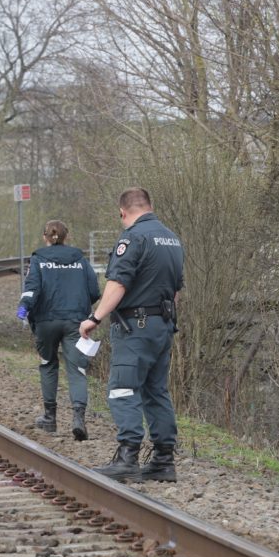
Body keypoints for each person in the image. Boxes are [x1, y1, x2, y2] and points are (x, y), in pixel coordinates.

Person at [79, 187, 184, 482]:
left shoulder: (133, 237)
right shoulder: (172, 239)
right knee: (156, 391)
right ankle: (164, 461)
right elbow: (175, 292)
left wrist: (94, 318)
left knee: (122, 388)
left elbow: (118, 284)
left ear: (123, 212)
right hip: (163, 326)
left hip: (135, 327)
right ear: (150, 206)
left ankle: (127, 456)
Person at [17, 220, 101, 440]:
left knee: (48, 364)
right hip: (76, 322)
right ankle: (78, 419)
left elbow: (32, 287)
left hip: (45, 321)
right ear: (67, 237)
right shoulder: (80, 260)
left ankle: (50, 418)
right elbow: (94, 290)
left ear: (45, 237)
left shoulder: (38, 259)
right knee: (77, 370)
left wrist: (24, 308)